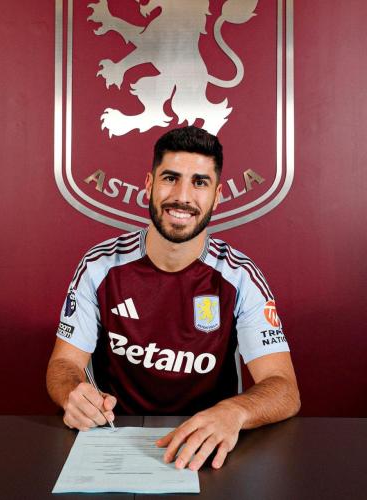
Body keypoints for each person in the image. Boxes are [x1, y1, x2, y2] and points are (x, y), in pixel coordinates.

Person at [47, 126, 300, 471]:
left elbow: (284, 388)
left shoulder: (240, 277)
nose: (182, 196)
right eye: (170, 178)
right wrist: (72, 393)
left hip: (205, 450)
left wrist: (235, 411)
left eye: (200, 182)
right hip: (113, 440)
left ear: (217, 196)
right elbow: (64, 363)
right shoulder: (99, 265)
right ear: (149, 185)